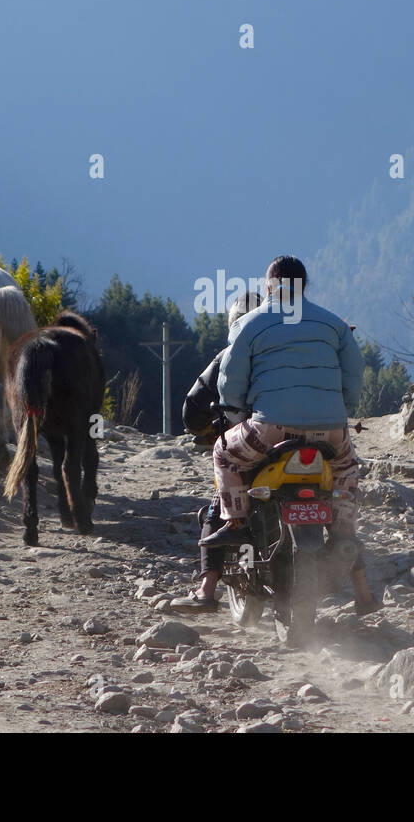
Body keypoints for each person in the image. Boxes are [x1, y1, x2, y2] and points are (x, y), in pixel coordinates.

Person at [191, 255, 381, 615]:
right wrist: (339, 407)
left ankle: (233, 523)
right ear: (304, 287)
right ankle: (357, 576)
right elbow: (354, 378)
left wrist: (235, 415)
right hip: (332, 434)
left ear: (268, 288)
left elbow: (229, 382)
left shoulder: (249, 324)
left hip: (271, 429)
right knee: (344, 480)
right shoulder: (335, 325)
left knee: (223, 454)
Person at [168, 291, 260, 613]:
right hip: (300, 439)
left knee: (219, 509)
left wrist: (206, 432)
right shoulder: (285, 352)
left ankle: (207, 590)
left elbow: (192, 409)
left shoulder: (227, 357)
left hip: (250, 444)